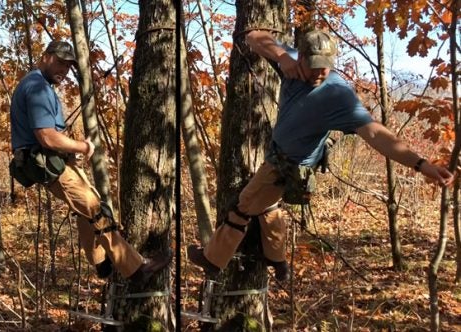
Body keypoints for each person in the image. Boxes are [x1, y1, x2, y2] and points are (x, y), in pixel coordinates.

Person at [188, 29, 454, 281]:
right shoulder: (291, 61)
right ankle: (277, 260)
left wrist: (421, 164)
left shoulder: (338, 96)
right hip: (278, 155)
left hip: (287, 166)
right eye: (312, 64)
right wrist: (281, 57)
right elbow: (254, 37)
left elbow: (376, 134)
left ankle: (213, 259)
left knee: (243, 206)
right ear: (300, 56)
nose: (318, 72)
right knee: (268, 205)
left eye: (324, 66)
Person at [9, 40, 171, 283]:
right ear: (45, 56)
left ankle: (102, 264)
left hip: (52, 163)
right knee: (95, 209)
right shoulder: (38, 87)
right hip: (46, 164)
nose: (63, 70)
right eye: (59, 62)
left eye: (67, 66)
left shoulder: (39, 85)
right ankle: (135, 268)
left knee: (88, 209)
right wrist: (83, 146)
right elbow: (47, 137)